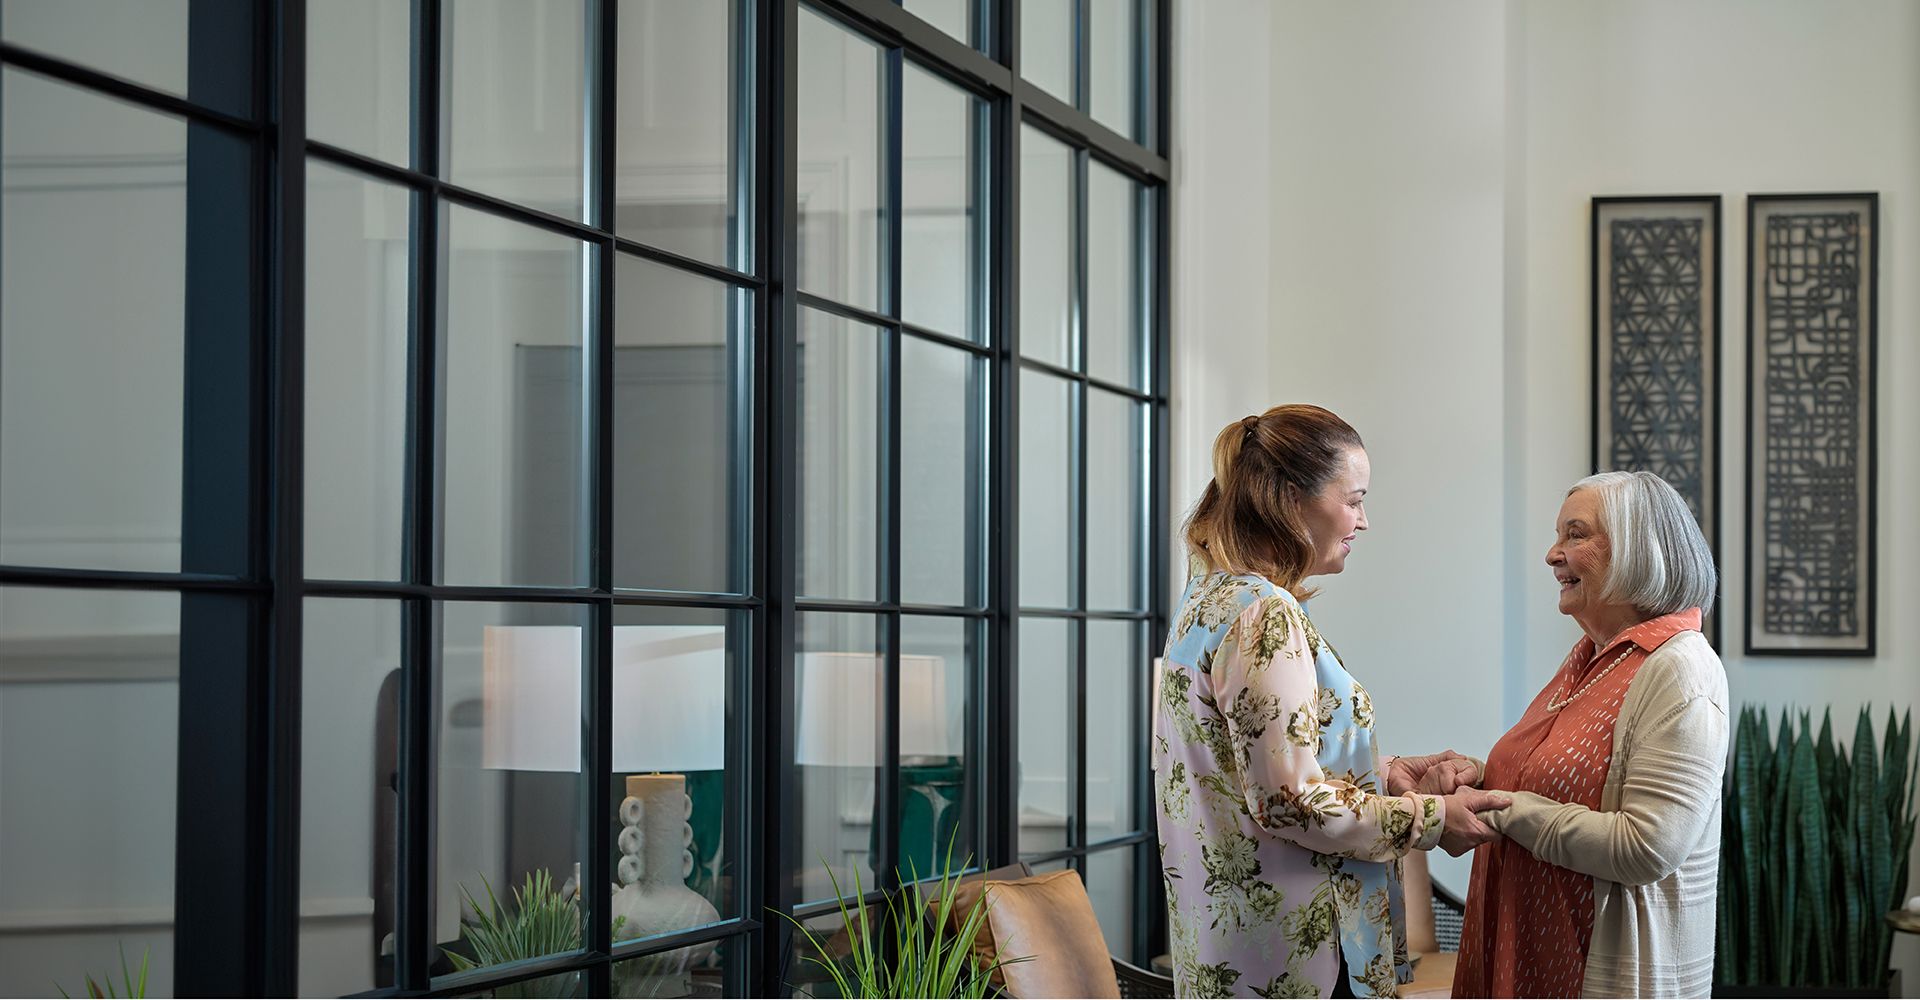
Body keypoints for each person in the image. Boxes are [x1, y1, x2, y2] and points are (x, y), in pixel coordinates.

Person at [1154, 404, 1507, 999]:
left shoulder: (1206, 597)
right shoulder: (1264, 613)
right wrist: (1431, 820)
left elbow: (1251, 768)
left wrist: (1386, 773)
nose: (1363, 521)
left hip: (1231, 950)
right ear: (1291, 501)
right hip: (1298, 960)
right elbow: (1290, 802)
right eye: (1355, 499)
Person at [1452, 470, 1728, 998]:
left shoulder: (1682, 669)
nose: (1553, 554)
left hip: (1597, 970)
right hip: (1530, 950)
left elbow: (1646, 846)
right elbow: (1569, 784)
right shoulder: (1589, 658)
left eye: (1575, 535)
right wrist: (1479, 775)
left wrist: (1495, 806)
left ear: (1636, 548)